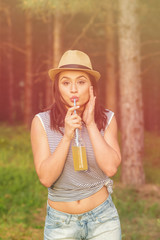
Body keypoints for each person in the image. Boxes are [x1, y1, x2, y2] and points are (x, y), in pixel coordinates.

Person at [31, 50, 122, 240]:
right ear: (57, 88)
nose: (73, 89)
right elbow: (46, 178)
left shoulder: (107, 118)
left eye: (81, 82)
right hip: (60, 224)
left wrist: (90, 124)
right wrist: (67, 137)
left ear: (91, 87)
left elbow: (111, 167)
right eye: (66, 82)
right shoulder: (41, 122)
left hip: (103, 220)